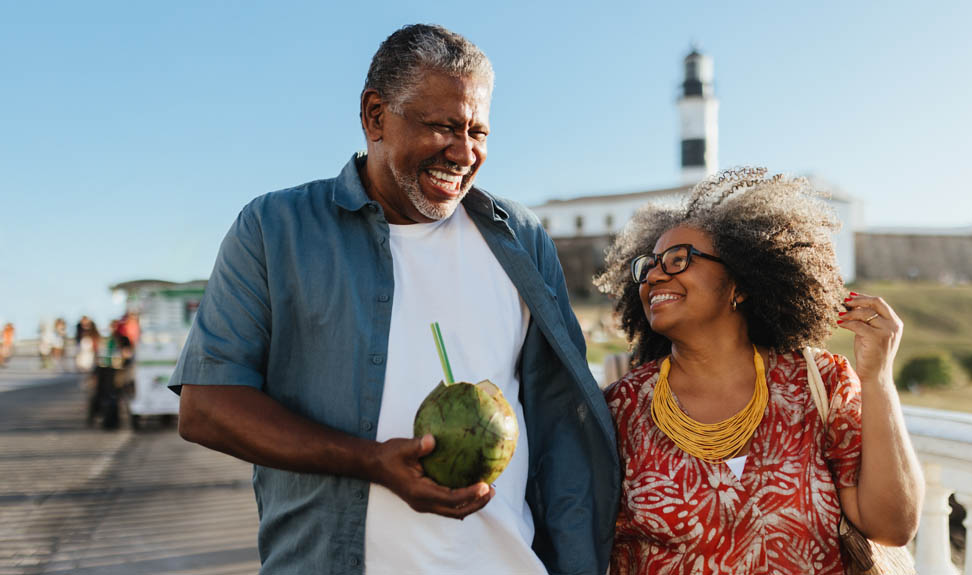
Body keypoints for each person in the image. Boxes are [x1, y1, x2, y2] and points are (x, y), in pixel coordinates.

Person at [170, 24, 619, 575]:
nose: (463, 152)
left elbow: (560, 429)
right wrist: (372, 463)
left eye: (478, 131)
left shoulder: (519, 238)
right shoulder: (274, 230)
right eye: (442, 127)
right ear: (375, 116)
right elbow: (207, 407)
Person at [594, 168, 924, 574]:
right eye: (648, 267)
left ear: (741, 284)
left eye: (679, 259)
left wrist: (877, 378)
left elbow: (892, 526)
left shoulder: (818, 382)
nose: (656, 275)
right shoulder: (620, 409)